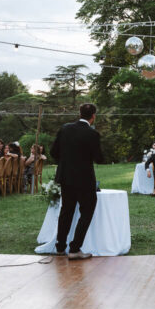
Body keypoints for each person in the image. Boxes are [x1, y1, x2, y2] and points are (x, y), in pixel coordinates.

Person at [51, 103, 104, 259]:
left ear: (79, 113)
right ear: (93, 116)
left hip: (66, 177)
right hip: (84, 179)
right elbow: (99, 159)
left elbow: (54, 151)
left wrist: (67, 161)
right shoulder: (92, 134)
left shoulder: (65, 128)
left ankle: (60, 247)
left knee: (66, 211)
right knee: (87, 212)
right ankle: (75, 249)